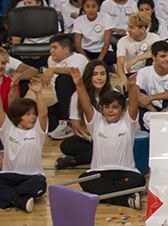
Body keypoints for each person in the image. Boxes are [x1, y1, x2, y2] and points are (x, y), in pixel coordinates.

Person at [71, 67, 146, 208]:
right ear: (102, 109)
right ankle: (125, 200)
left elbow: (134, 103)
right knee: (85, 179)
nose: (110, 110)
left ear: (122, 110)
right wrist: (79, 85)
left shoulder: (127, 122)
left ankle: (103, 197)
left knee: (139, 180)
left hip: (126, 172)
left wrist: (132, 86)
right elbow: (86, 104)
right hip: (100, 173)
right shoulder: (96, 122)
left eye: (115, 107)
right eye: (107, 107)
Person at [0, 76, 48, 212]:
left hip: (32, 177)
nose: (33, 117)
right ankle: (19, 200)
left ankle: (9, 197)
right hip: (9, 175)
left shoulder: (37, 132)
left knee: (39, 184)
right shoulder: (8, 129)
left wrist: (38, 93)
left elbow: (43, 114)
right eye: (28, 114)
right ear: (18, 115)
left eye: (33, 114)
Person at [55, 60, 114, 169]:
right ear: (88, 76)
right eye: (95, 74)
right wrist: (92, 137)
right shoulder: (77, 96)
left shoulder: (113, 93)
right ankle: (103, 153)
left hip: (110, 137)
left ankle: (74, 161)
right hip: (88, 137)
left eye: (102, 74)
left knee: (109, 147)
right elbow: (76, 125)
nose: (99, 78)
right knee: (66, 145)